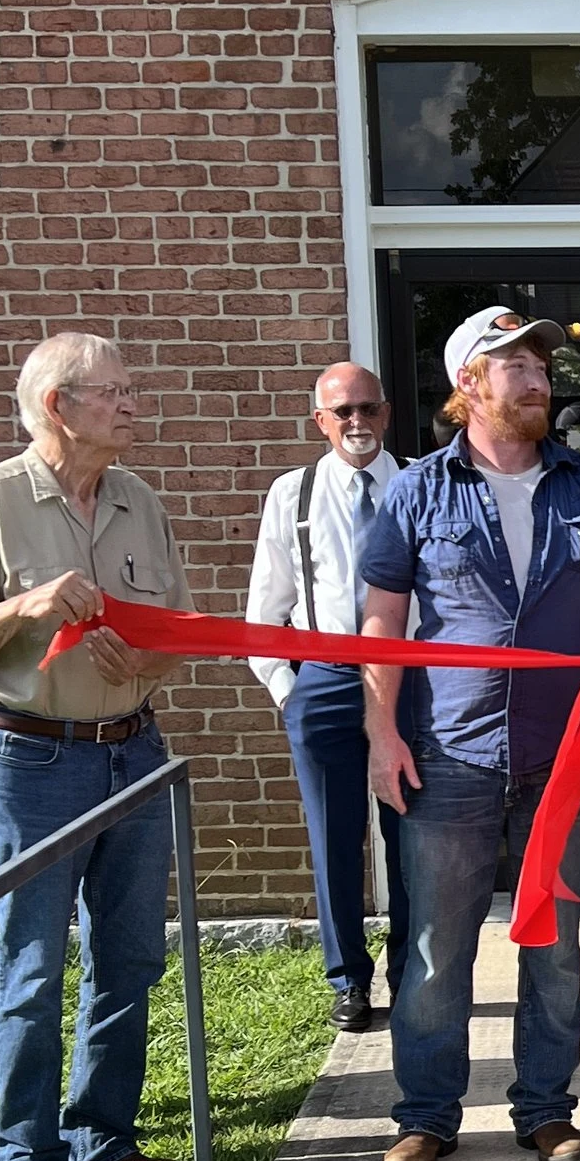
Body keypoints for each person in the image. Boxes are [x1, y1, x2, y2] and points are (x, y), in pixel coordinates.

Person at [359, 307, 580, 1161]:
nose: (536, 376)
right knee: (436, 946)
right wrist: (381, 733)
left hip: (565, 751)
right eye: (513, 363)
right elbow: (381, 624)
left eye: (539, 361)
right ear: (468, 385)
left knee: (557, 944)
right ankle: (425, 1116)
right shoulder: (415, 489)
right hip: (449, 750)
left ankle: (546, 1110)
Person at [0, 332, 191, 1161]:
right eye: (112, 391)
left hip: (134, 749)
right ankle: (25, 1158)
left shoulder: (140, 499)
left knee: (131, 955)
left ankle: (103, 1138)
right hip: (30, 756)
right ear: (57, 406)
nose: (130, 404)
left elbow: (175, 633)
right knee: (32, 962)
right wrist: (28, 604)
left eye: (128, 388)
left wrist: (143, 667)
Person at [246, 360, 406, 1033]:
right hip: (327, 675)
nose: (357, 422)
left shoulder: (419, 484)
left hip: (410, 679)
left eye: (368, 408)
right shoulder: (294, 492)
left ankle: (414, 973)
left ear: (386, 412)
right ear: (320, 420)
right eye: (343, 412)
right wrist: (291, 690)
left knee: (415, 836)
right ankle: (349, 979)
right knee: (334, 836)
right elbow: (265, 609)